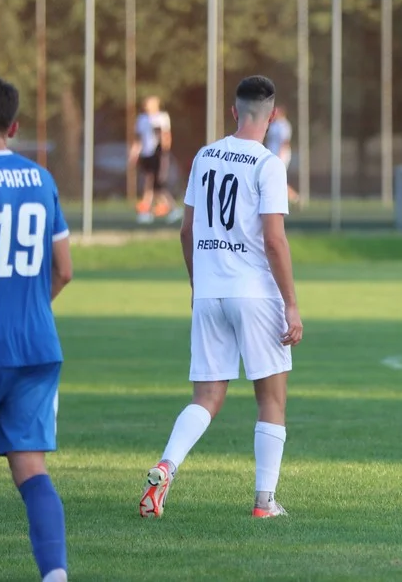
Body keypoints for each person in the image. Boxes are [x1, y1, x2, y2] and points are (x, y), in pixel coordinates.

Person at [139, 75, 303, 519]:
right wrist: (290, 302)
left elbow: (187, 230)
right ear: (271, 117)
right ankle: (264, 502)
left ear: (234, 112)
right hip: (254, 293)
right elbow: (274, 241)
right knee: (271, 398)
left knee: (206, 397)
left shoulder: (204, 156)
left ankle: (166, 465)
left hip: (210, 291)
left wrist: (198, 286)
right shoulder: (268, 164)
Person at [0, 76, 73, 582]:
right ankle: (55, 575)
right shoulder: (40, 179)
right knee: (32, 470)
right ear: (15, 126)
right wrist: (28, 310)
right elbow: (63, 269)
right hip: (36, 344)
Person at [130, 96, 183, 224]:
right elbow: (138, 139)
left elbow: (166, 137)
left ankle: (156, 210)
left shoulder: (162, 117)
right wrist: (134, 154)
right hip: (146, 154)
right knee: (149, 183)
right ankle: (159, 210)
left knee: (155, 184)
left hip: (157, 153)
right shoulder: (141, 119)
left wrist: (164, 154)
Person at [264, 104, 299, 204]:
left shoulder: (284, 125)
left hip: (281, 155)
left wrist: (280, 155)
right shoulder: (273, 125)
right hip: (272, 155)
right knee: (274, 179)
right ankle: (294, 198)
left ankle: (294, 198)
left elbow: (285, 141)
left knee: (277, 179)